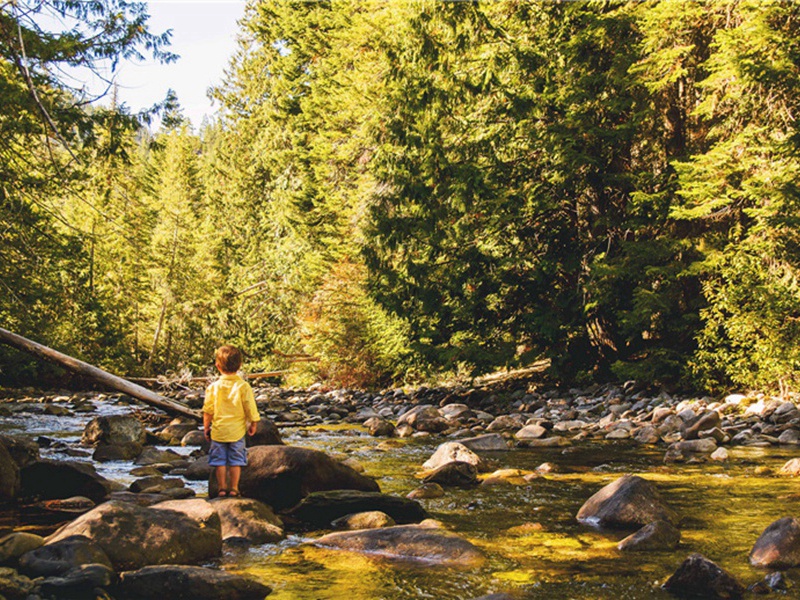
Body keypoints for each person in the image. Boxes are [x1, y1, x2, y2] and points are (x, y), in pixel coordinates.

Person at [202, 344, 260, 497]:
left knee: (219, 461)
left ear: (217, 366)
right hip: (237, 431)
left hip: (219, 431)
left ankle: (221, 488)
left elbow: (208, 410)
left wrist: (206, 427)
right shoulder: (243, 386)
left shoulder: (213, 387)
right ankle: (234, 488)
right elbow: (249, 406)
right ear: (240, 365)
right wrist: (253, 422)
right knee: (236, 461)